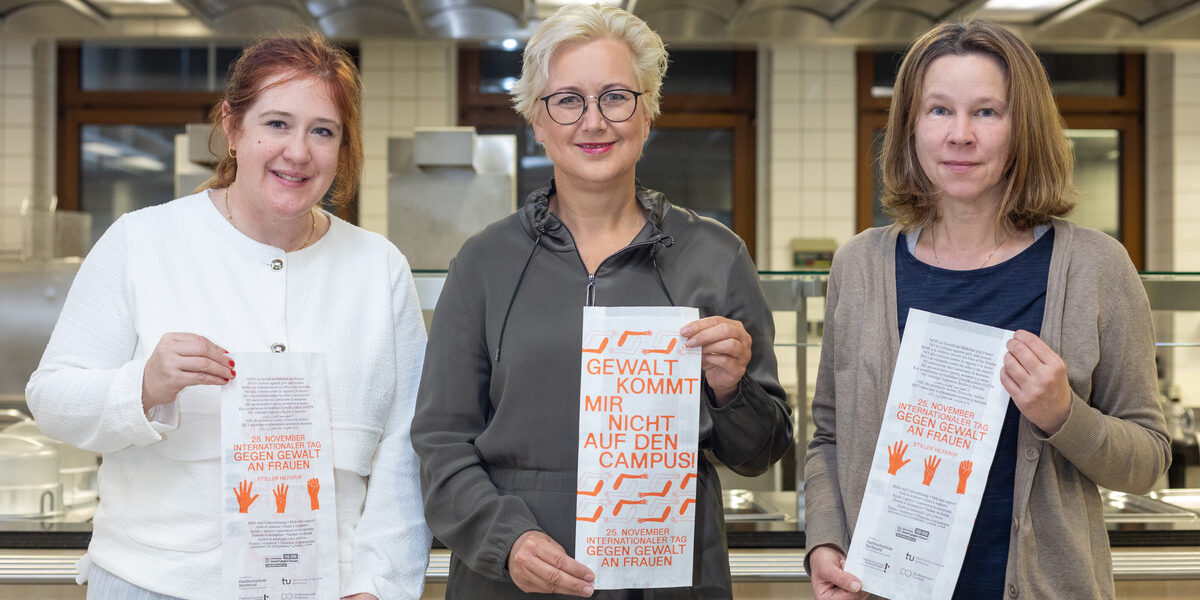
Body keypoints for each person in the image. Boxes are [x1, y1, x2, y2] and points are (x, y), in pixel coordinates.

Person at [26, 32, 430, 600]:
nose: (298, 151)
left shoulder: (378, 267)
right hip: (154, 582)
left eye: (323, 131)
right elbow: (52, 399)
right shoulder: (143, 241)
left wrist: (378, 584)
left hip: (324, 588)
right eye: (277, 123)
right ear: (234, 127)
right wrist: (144, 384)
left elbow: (404, 446)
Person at [410, 5, 792, 599]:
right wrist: (505, 540)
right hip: (513, 584)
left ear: (648, 113)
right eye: (567, 100)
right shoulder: (484, 263)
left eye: (616, 97)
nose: (593, 121)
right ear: (537, 120)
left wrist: (731, 391)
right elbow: (440, 442)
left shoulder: (715, 256)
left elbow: (761, 453)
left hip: (670, 579)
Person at [803, 20, 1170, 600]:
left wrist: (1062, 414)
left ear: (1023, 128)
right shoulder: (860, 265)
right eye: (939, 110)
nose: (960, 135)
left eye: (987, 112)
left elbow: (1148, 459)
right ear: (910, 126)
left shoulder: (1097, 266)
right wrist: (824, 541)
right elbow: (828, 438)